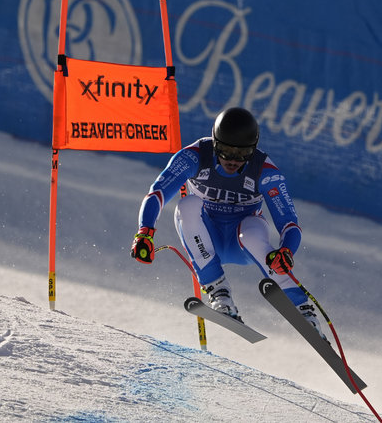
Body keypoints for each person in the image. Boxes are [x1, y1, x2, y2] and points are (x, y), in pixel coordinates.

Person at [130, 107, 326, 339]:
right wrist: (145, 232)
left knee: (251, 231)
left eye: (242, 154)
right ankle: (219, 292)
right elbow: (157, 194)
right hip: (206, 239)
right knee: (187, 205)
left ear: (252, 150)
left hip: (243, 241)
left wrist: (286, 251)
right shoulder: (194, 156)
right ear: (214, 143)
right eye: (224, 151)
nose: (232, 160)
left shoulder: (265, 171)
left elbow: (289, 223)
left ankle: (302, 308)